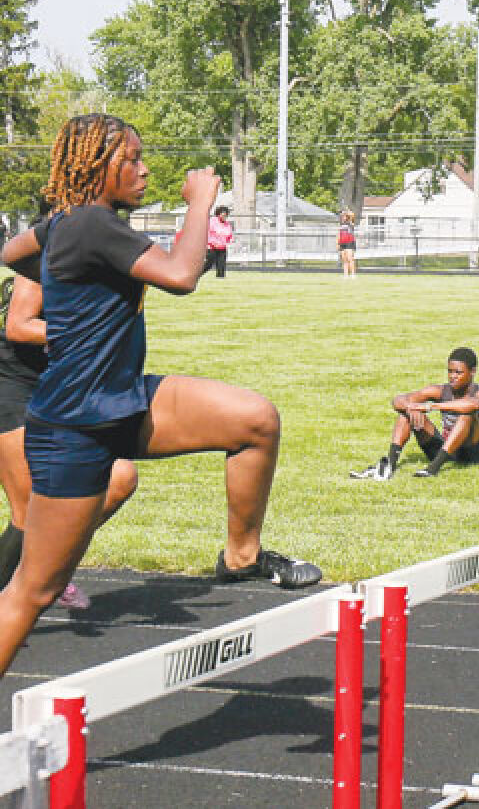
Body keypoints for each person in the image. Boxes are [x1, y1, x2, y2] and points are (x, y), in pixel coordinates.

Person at [0, 113, 321, 679]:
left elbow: (10, 252)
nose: (145, 170)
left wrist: (66, 278)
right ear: (99, 167)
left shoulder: (69, 223)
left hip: (126, 400)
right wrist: (200, 202)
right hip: (76, 424)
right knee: (32, 592)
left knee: (255, 421)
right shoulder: (94, 225)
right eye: (133, 160)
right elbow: (180, 274)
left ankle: (241, 555)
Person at [0, 275, 139, 609]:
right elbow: (18, 327)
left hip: (61, 391)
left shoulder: (106, 254)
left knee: (120, 479)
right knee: (30, 510)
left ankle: (47, 566)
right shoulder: (43, 255)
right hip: (11, 383)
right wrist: (86, 334)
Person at [350, 347, 479, 480]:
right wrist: (411, 408)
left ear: (473, 371)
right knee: (406, 413)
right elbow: (398, 400)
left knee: (467, 416)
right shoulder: (441, 390)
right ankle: (390, 465)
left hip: (474, 453)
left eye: (458, 372)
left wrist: (430, 406)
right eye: (450, 371)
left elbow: (472, 405)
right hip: (448, 449)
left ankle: (433, 468)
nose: (452, 376)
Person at [204, 205, 234, 278]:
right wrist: (212, 243)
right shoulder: (212, 221)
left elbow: (229, 235)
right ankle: (196, 275)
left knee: (221, 266)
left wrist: (230, 240)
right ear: (218, 214)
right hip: (212, 247)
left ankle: (220, 278)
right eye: (223, 214)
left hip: (222, 248)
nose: (224, 216)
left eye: (226, 215)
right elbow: (208, 233)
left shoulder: (227, 225)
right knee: (208, 264)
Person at [337, 210, 358, 278]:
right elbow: (339, 234)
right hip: (342, 243)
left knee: (350, 258)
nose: (343, 217)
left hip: (350, 242)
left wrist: (346, 211)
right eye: (342, 216)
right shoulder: (341, 224)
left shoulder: (350, 223)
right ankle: (345, 275)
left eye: (344, 216)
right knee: (344, 259)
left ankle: (353, 274)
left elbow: (352, 214)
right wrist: (338, 243)